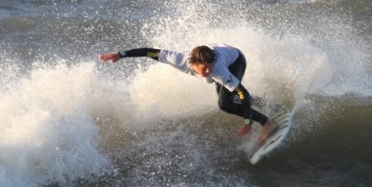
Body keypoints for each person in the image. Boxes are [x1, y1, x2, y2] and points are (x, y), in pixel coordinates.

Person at [99, 44, 279, 145]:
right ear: (193, 62)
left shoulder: (218, 70)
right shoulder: (178, 59)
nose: (207, 71)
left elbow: (243, 92)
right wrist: (119, 54)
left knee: (225, 103)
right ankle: (266, 103)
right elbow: (148, 52)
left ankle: (267, 122)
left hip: (236, 61)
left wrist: (248, 122)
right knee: (230, 96)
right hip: (225, 58)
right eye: (203, 67)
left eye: (209, 66)